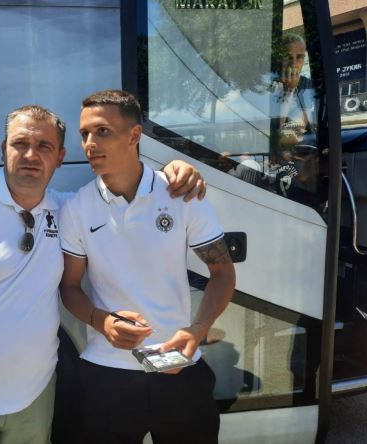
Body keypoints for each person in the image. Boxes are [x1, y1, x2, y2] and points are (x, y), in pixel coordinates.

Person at [0, 104, 207, 444]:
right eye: (20, 144)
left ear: (60, 157)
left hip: (33, 403)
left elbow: (126, 190)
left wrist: (173, 171)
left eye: (44, 147)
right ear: (3, 149)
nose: (30, 155)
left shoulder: (68, 210)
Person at [59, 90, 236, 444]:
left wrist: (197, 330)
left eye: (102, 131)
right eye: (84, 134)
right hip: (107, 373)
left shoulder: (181, 194)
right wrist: (100, 321)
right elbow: (70, 287)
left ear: (134, 134)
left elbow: (222, 272)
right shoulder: (77, 209)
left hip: (177, 365)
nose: (90, 144)